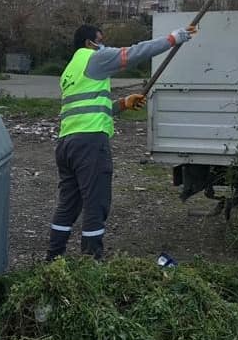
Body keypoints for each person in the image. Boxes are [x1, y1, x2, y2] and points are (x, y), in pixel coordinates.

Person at [45, 22, 198, 261]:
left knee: (68, 206)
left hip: (67, 145)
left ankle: (53, 260)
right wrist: (172, 39)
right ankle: (91, 263)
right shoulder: (94, 58)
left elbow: (90, 107)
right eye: (100, 40)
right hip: (90, 144)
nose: (103, 44)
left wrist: (124, 103)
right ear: (89, 43)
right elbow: (135, 52)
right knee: (96, 205)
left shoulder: (69, 71)